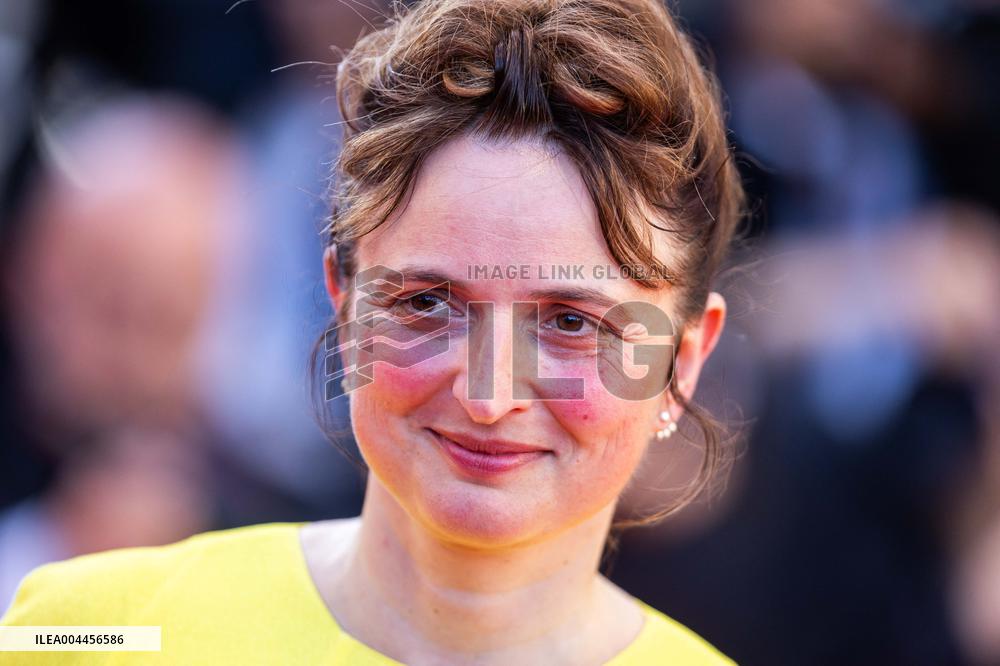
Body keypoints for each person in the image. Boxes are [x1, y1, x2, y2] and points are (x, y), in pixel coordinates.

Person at [1, 0, 744, 663]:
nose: (488, 395)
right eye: (427, 304)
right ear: (344, 306)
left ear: (683, 361)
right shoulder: (95, 631)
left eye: (572, 321)